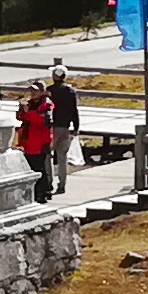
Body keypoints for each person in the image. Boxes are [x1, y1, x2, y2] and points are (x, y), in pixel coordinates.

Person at [42, 64, 81, 198]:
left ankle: (49, 182)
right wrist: (76, 127)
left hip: (52, 127)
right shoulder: (70, 92)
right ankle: (62, 184)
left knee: (48, 155)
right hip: (65, 127)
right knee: (62, 157)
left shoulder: (49, 91)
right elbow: (74, 111)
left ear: (56, 76)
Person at [14, 82, 53, 202]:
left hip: (40, 141)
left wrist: (27, 113)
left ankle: (43, 193)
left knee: (39, 167)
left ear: (42, 91)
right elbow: (20, 117)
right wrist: (21, 109)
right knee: (31, 167)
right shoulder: (30, 104)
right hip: (28, 141)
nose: (33, 93)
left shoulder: (47, 105)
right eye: (32, 91)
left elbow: (42, 122)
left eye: (36, 91)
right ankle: (38, 192)